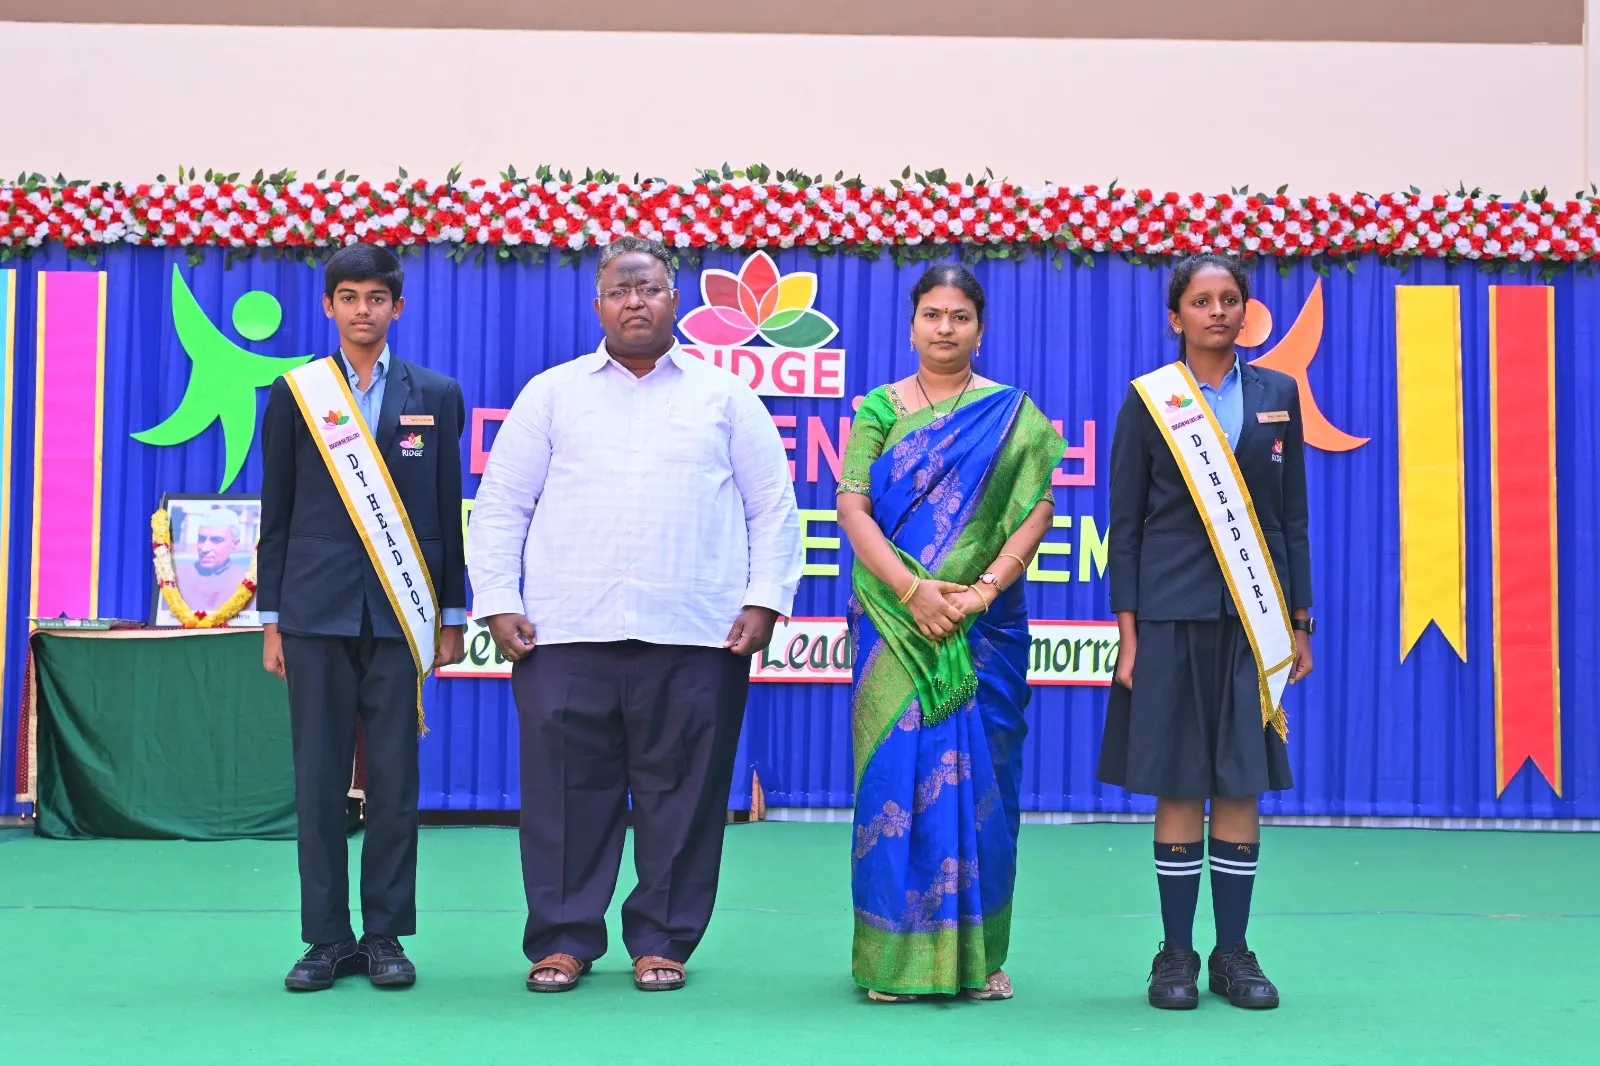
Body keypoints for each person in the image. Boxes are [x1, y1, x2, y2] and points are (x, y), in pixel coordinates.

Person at [466, 235, 802, 994]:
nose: (635, 302)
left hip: (696, 633)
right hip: (563, 632)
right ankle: (562, 940)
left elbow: (773, 508)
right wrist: (499, 601)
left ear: (674, 300)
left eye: (648, 288)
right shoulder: (552, 394)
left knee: (682, 799)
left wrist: (764, 599)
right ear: (598, 306)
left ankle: (663, 940)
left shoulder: (725, 397)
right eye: (620, 291)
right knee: (563, 797)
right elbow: (502, 506)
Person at [835, 263, 1065, 1002]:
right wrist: (913, 592)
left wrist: (982, 591)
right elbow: (852, 508)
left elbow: (1037, 508)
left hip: (983, 626)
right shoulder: (879, 409)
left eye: (959, 316)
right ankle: (892, 965)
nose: (945, 327)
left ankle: (981, 960)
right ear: (912, 326)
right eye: (932, 314)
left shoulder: (1012, 415)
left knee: (985, 789)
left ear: (980, 328)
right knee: (892, 783)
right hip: (893, 627)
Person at [1097, 253, 1314, 1011]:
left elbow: (1291, 519)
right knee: (1181, 778)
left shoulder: (1278, 394)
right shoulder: (1150, 399)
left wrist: (1299, 622)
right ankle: (1176, 954)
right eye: (1201, 300)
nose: (1216, 311)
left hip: (1255, 620)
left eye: (1228, 299)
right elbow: (1125, 526)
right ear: (1176, 316)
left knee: (1241, 779)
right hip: (1170, 614)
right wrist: (1129, 635)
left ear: (1244, 312)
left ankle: (1233, 953)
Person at [257, 244, 468, 992]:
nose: (362, 310)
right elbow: (277, 508)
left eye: (376, 298)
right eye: (348, 297)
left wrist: (449, 614)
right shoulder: (297, 393)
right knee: (318, 781)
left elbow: (445, 509)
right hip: (314, 613)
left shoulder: (436, 393)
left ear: (397, 307)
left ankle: (384, 936)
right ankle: (325, 939)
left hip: (400, 617)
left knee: (394, 781)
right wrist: (273, 617)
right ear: (329, 306)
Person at [177, 507, 254, 612]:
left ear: (234, 545)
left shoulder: (246, 582)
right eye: (202, 539)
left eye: (216, 540)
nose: (205, 548)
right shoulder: (178, 576)